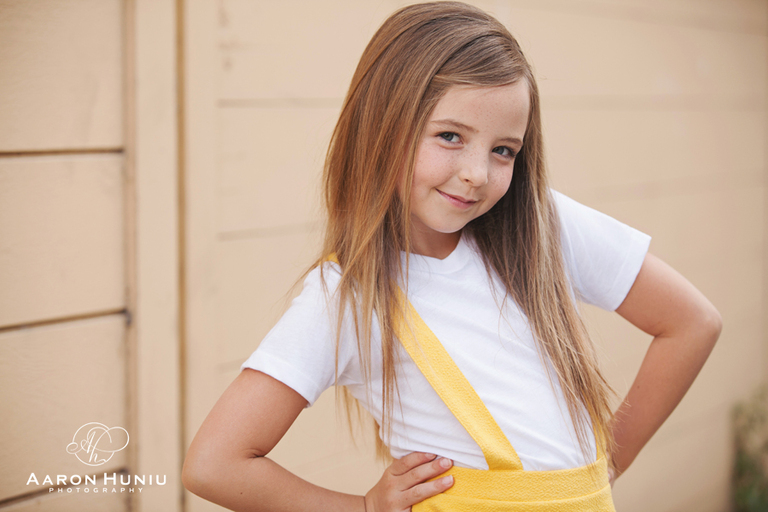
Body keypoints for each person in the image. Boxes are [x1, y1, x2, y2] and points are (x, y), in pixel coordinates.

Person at [182, 2, 722, 511]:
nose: (477, 173)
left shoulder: (541, 226)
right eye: (449, 136)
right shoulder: (347, 297)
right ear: (382, 127)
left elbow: (692, 323)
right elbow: (214, 464)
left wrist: (604, 468)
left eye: (503, 150)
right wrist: (363, 507)